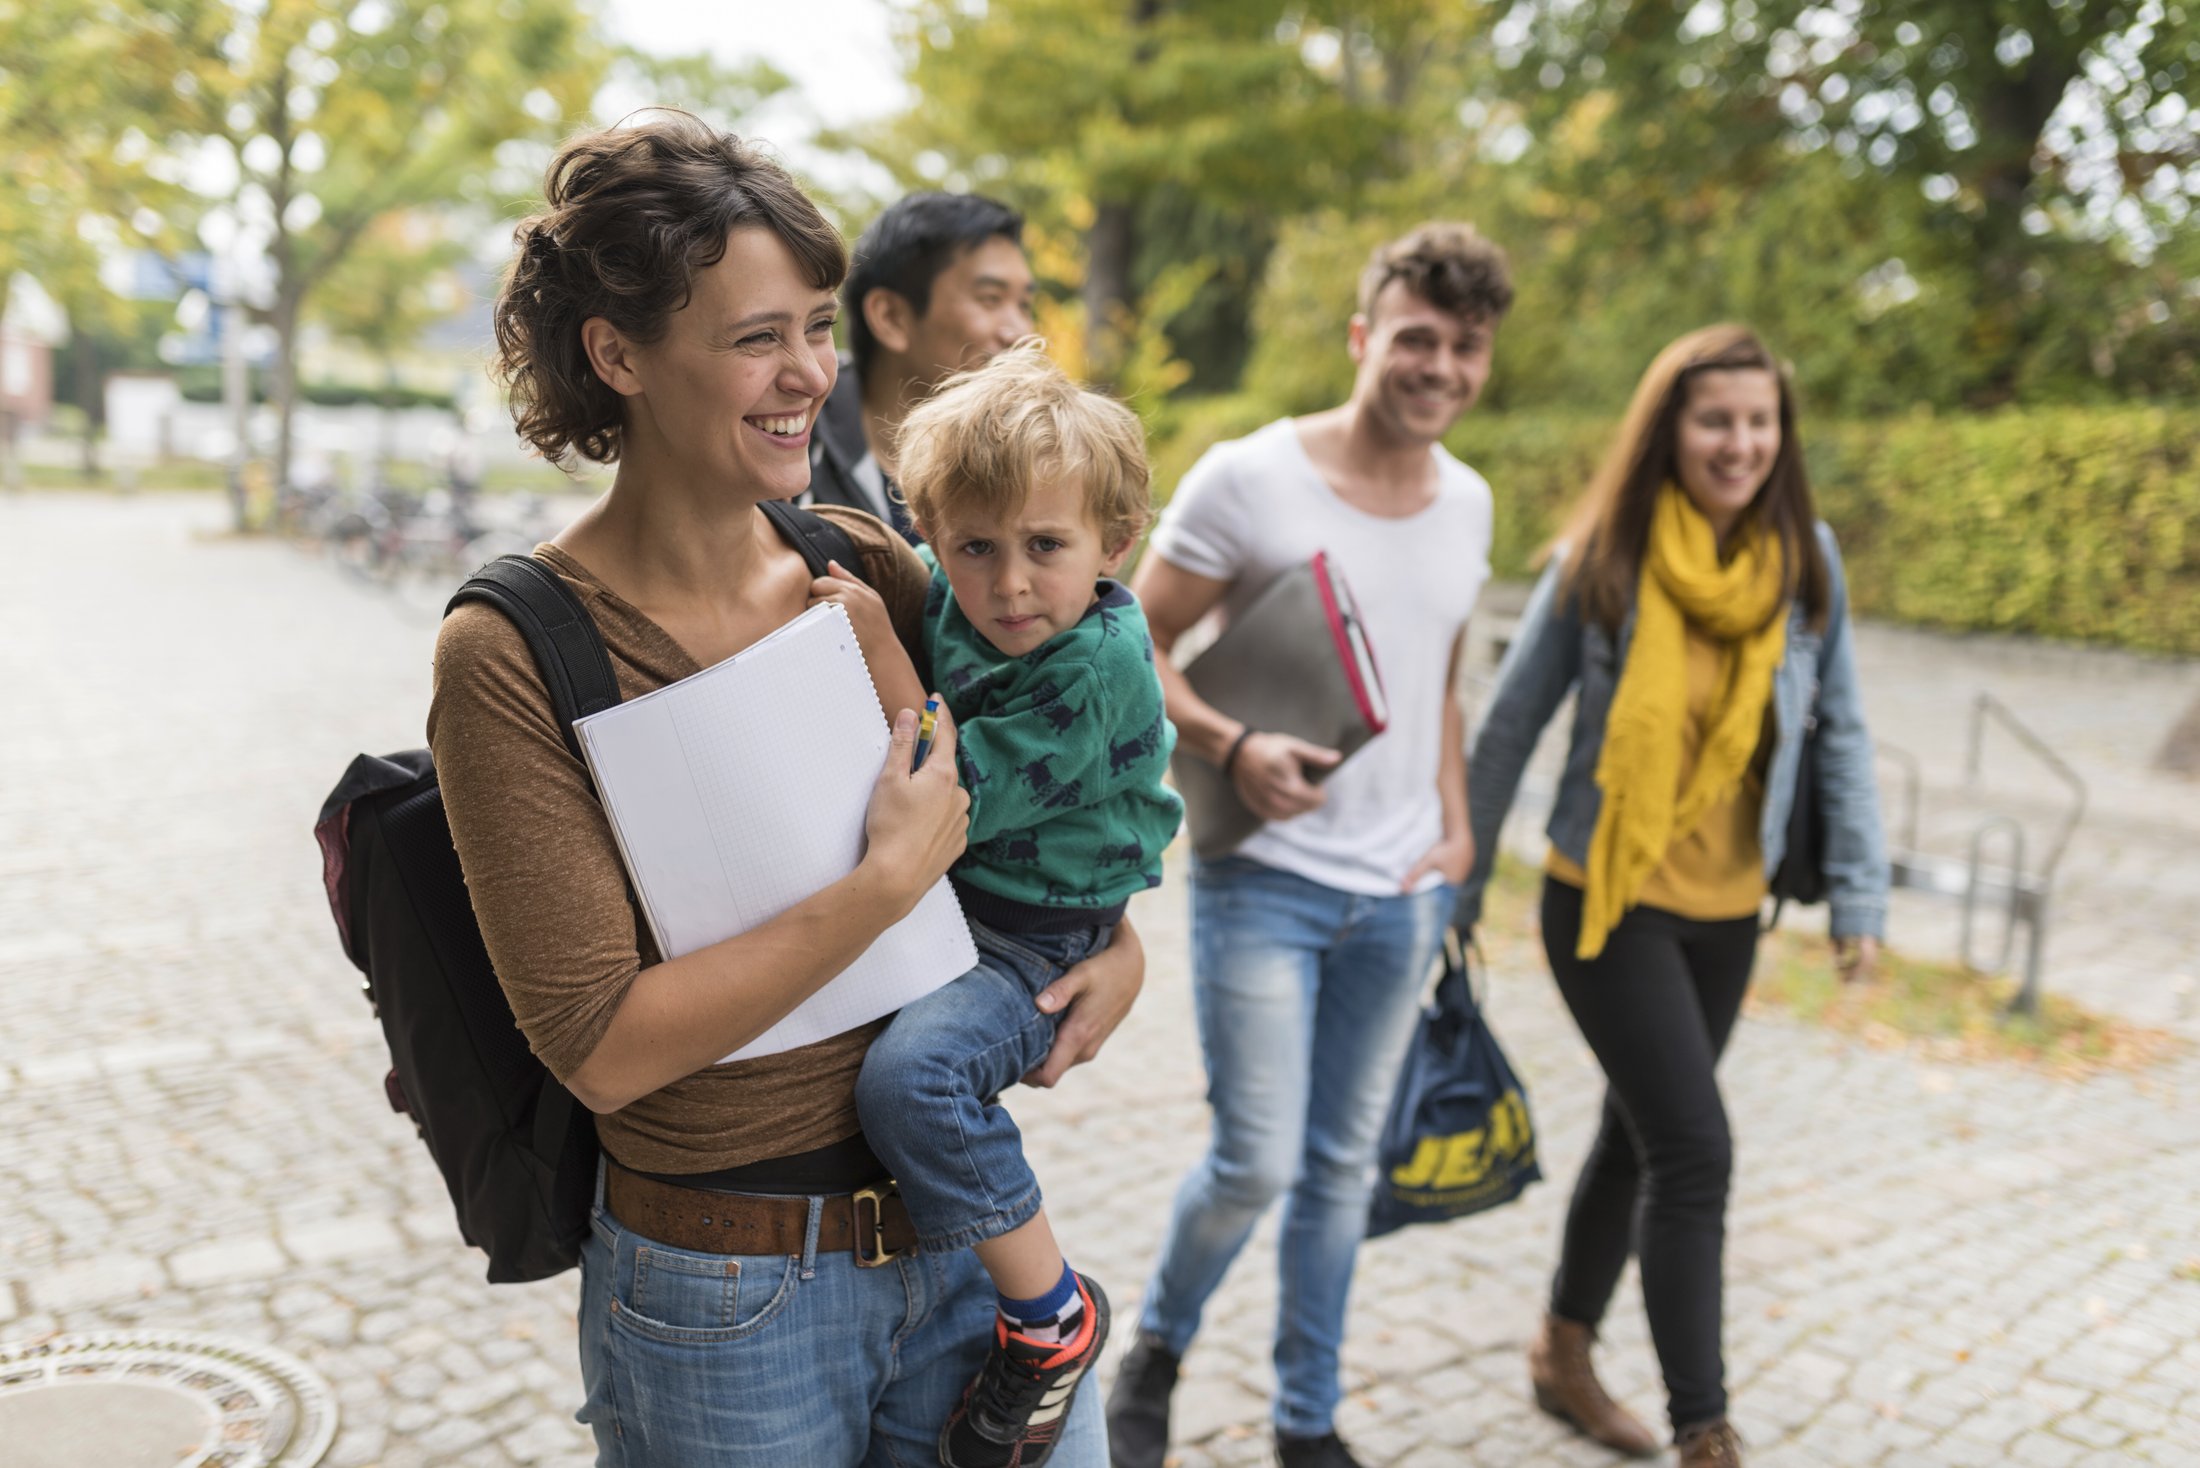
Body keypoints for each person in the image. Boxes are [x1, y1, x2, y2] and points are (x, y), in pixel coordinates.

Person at [434, 112, 1142, 1467]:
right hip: (726, 1300)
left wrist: (1119, 944)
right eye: (759, 337)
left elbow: (1041, 780)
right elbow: (603, 1044)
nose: (809, 375)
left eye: (819, 328)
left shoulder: (867, 562)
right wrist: (878, 889)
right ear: (617, 354)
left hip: (964, 1251)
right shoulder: (514, 650)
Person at [1111, 223, 1515, 1468]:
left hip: (1401, 892)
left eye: (1462, 346)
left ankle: (1304, 1416)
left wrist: (1456, 834)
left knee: (1341, 1168)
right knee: (1255, 1161)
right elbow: (1128, 638)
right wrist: (1232, 747)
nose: (1436, 365)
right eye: (1414, 338)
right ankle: (1155, 1347)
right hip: (1264, 880)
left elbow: (1437, 678)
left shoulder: (1472, 502)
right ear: (1363, 337)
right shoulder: (1249, 477)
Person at [1451, 325, 1889, 1467]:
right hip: (1602, 902)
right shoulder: (1603, 556)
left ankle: (1560, 1343)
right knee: (1694, 1147)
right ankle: (1707, 1428)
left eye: (1757, 420)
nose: (1739, 442)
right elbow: (1506, 732)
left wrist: (1858, 898)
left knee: (1641, 1134)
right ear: (1669, 432)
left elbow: (1838, 731)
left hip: (1728, 912)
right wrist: (1453, 891)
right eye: (1714, 420)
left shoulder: (1806, 561)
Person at [851, 342, 1183, 1468]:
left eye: (1046, 547)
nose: (1006, 586)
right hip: (976, 898)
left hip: (1038, 931)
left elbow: (947, 798)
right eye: (972, 548)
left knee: (915, 1078)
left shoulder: (1088, 669)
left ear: (1113, 542)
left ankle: (1051, 1319)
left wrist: (862, 635)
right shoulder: (960, 584)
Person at [804, 191, 1036, 539]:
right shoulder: (793, 442)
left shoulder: (1038, 460)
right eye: (991, 299)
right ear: (891, 317)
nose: (1019, 332)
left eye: (1025, 305)